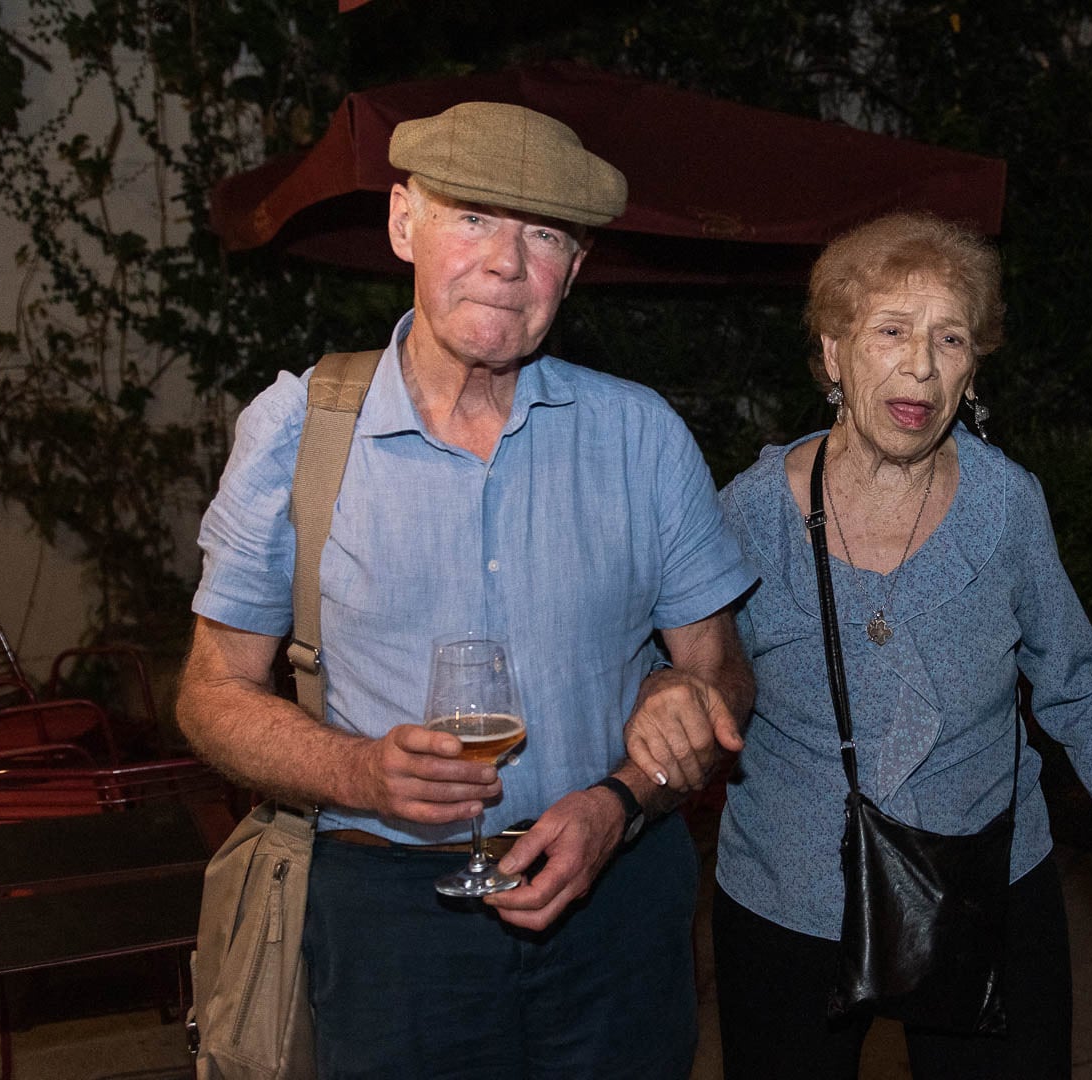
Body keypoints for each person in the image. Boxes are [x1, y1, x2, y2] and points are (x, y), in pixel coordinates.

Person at [177, 101, 756, 1079]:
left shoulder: (641, 437)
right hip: (389, 924)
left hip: (615, 901)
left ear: (573, 268)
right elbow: (209, 691)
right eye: (475, 217)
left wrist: (643, 764)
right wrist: (355, 772)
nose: (505, 261)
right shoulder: (297, 431)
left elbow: (722, 677)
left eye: (542, 234)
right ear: (405, 223)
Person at [624, 211, 1092, 1078]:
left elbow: (1079, 691)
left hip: (989, 892)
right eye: (891, 330)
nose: (920, 365)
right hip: (790, 905)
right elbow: (679, 663)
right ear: (834, 351)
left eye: (950, 338)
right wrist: (664, 686)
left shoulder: (1007, 508)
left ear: (973, 367)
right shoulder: (749, 511)